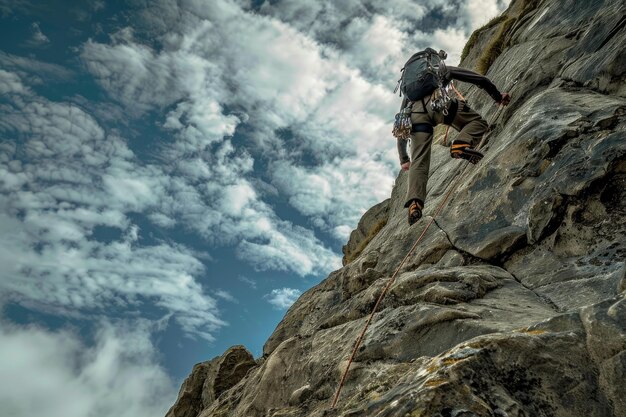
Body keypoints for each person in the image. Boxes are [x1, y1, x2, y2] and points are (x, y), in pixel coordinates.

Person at [396, 51, 511, 225]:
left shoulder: (408, 93)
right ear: (432, 60)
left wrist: (404, 158)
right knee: (477, 122)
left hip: (416, 116)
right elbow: (478, 79)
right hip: (439, 103)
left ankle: (415, 204)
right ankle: (460, 144)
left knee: (418, 161)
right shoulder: (439, 69)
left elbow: (401, 121)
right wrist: (497, 96)